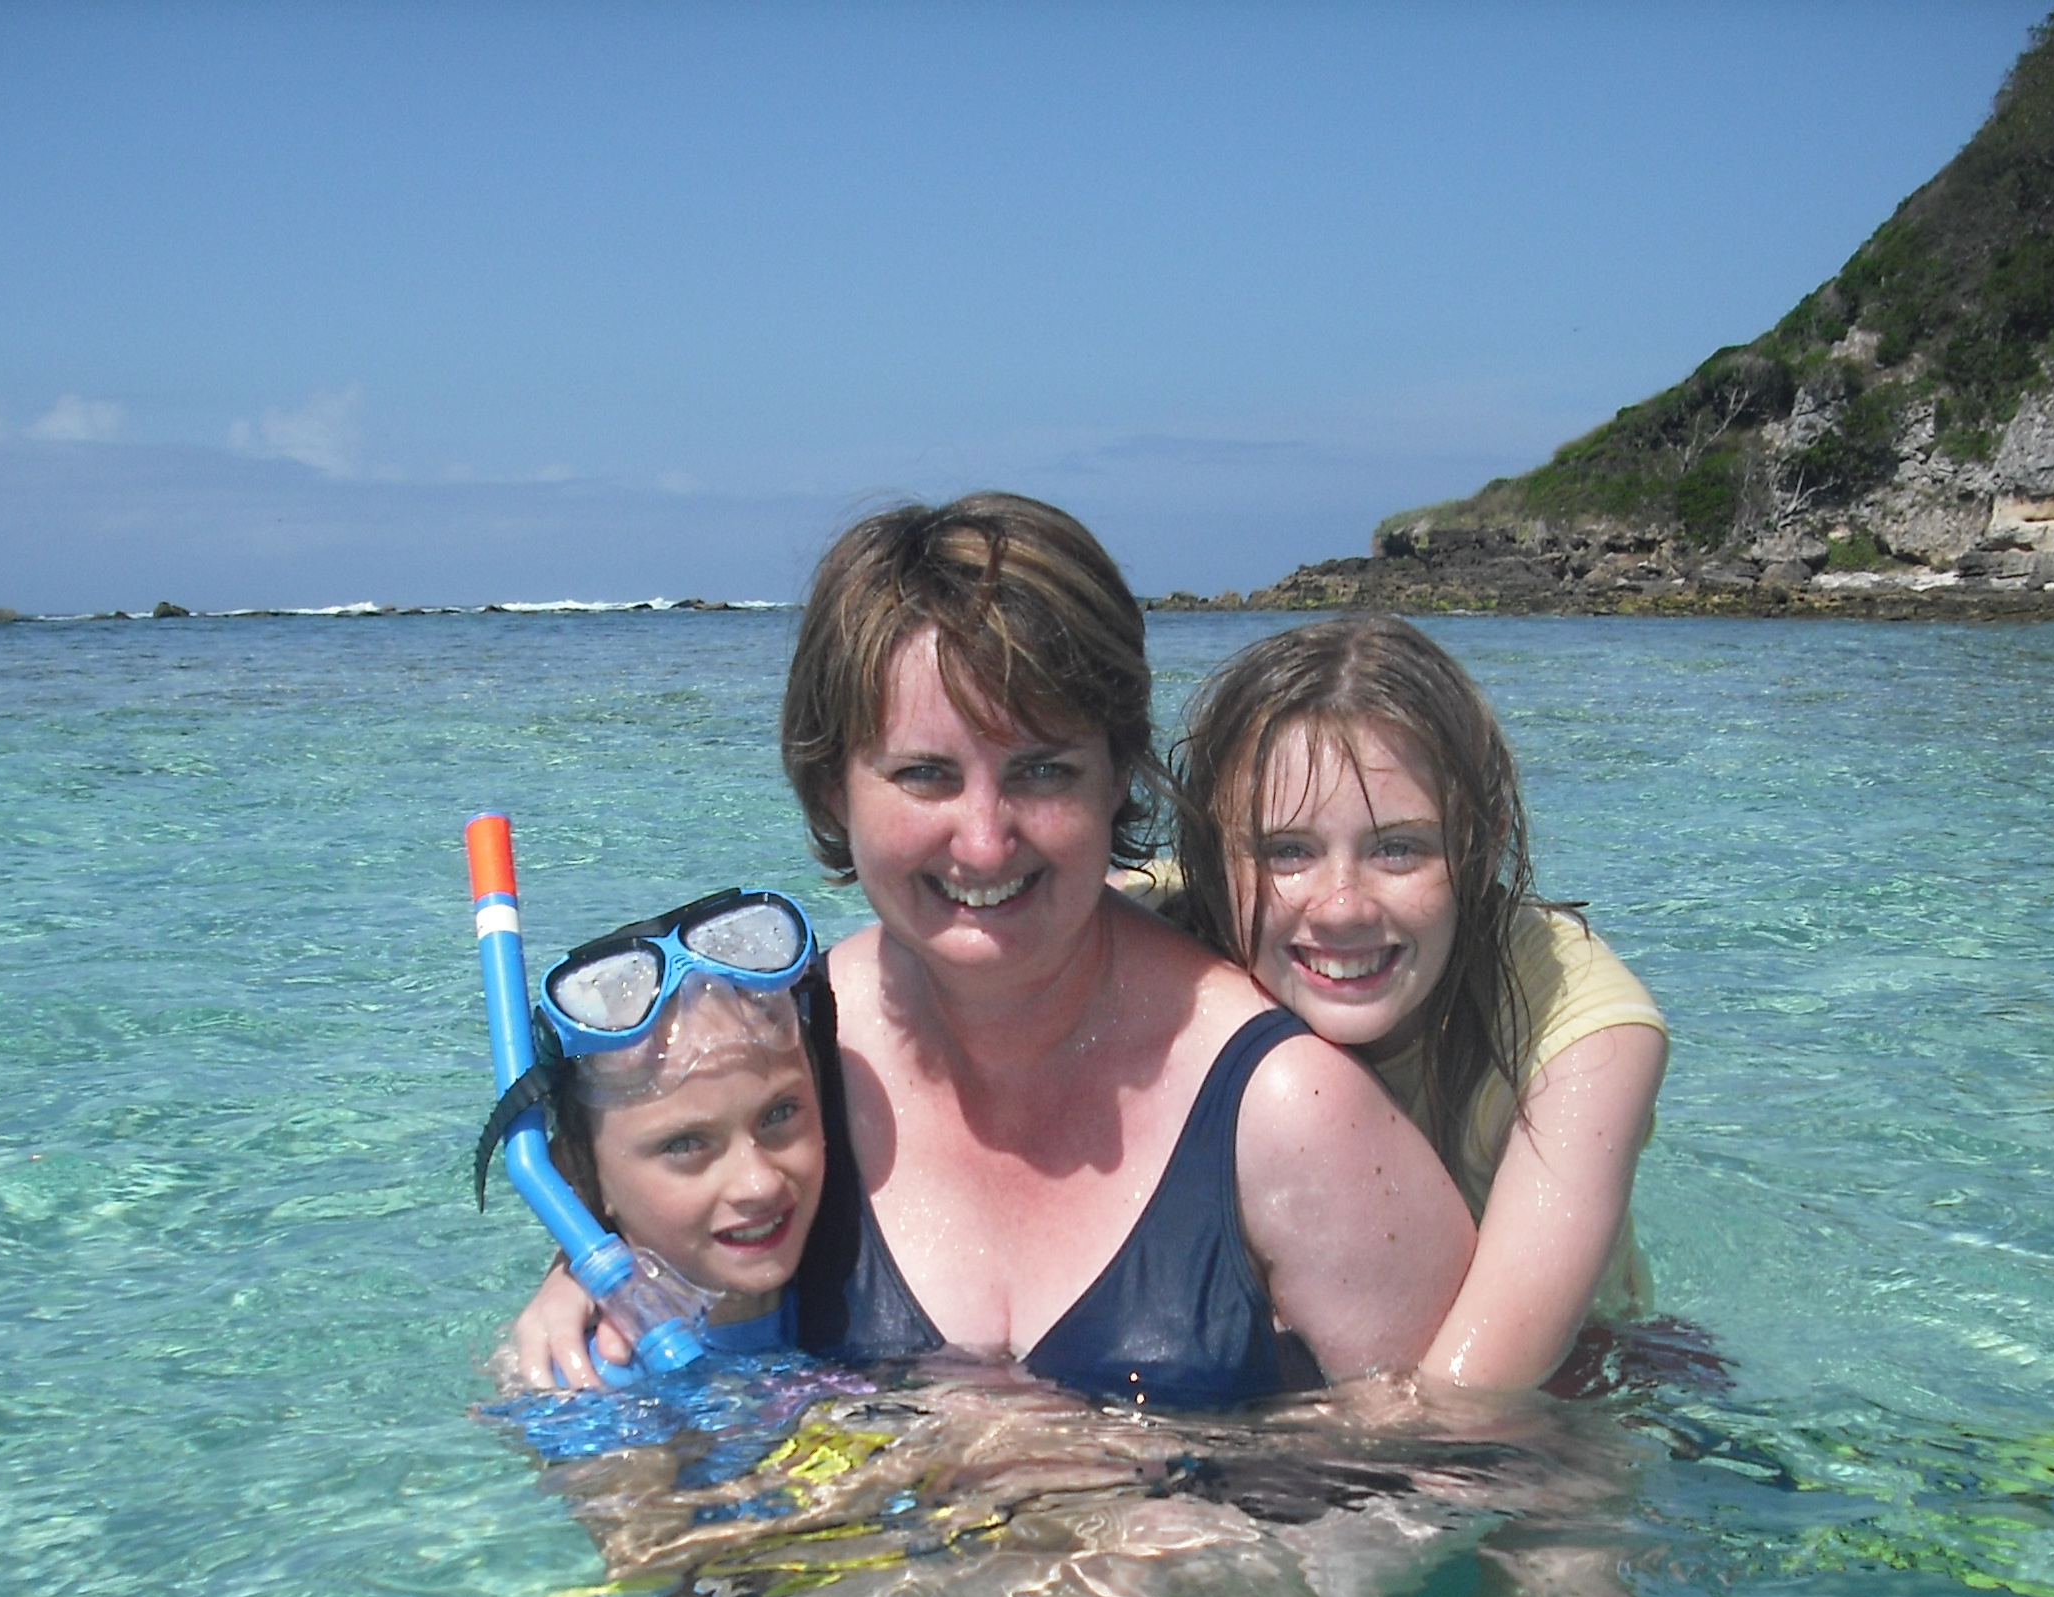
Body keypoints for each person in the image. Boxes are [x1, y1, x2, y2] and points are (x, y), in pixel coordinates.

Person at [510, 495, 1474, 1406]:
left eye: (1043, 770)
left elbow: (1473, 1485)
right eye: (925, 775)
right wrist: (599, 1270)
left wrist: (1137, 1525)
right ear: (834, 792)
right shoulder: (788, 1047)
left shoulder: (1285, 1111)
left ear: (1117, 782)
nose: (983, 839)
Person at [1160, 615, 1667, 1393]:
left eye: (1399, 848)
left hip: (1575, 1393)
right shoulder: (1159, 932)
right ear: (1211, 857)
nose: (1341, 907)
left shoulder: (1583, 1034)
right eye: (1285, 851)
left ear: (1483, 849)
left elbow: (1467, 1404)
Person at [489, 888, 828, 1362]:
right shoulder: (589, 1387)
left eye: (779, 1115)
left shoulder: (852, 1262)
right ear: (576, 1177)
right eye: (686, 1144)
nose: (759, 1182)